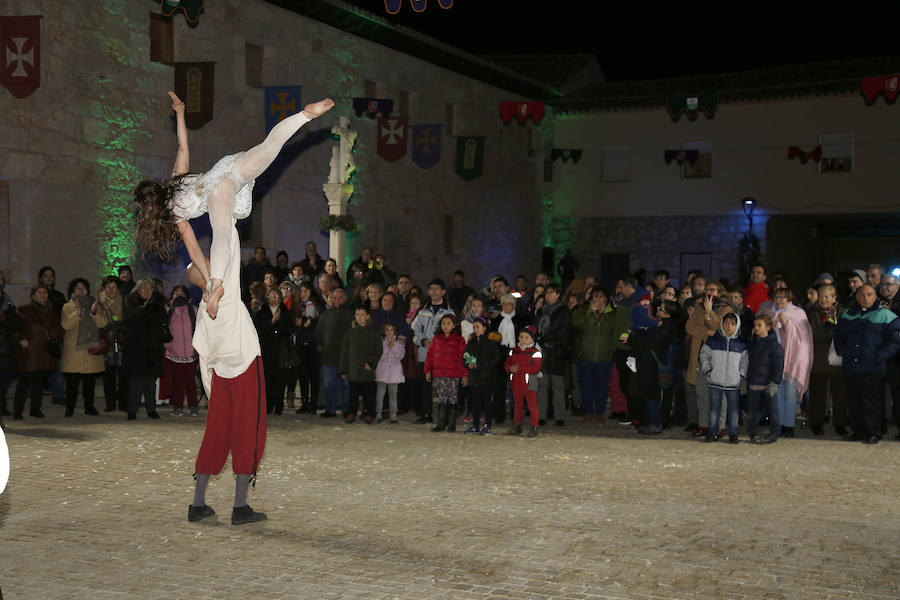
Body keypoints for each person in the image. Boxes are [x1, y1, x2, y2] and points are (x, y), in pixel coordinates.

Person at [134, 91, 334, 321]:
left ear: (152, 207)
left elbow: (195, 251)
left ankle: (219, 284)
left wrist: (211, 281)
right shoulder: (175, 180)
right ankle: (304, 116)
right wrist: (180, 114)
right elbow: (182, 148)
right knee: (269, 147)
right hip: (227, 169)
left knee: (221, 232)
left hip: (217, 190)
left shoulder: (175, 216)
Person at [834, 284, 900, 444]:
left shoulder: (886, 316)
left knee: (872, 401)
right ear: (857, 297)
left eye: (869, 294)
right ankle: (858, 430)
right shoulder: (847, 315)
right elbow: (838, 336)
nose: (866, 298)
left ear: (875, 296)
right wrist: (843, 351)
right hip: (851, 365)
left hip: (873, 366)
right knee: (854, 400)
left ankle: (873, 432)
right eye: (862, 295)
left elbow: (895, 341)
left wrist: (879, 356)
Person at [13, 285, 63, 419]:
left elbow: (58, 328)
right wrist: (21, 339)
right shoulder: (23, 310)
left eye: (45, 292)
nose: (43, 295)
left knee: (39, 382)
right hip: (30, 351)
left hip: (44, 350)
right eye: (39, 293)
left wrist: (55, 334)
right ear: (33, 295)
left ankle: (35, 409)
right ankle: (18, 411)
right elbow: (15, 328)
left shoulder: (51, 312)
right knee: (24, 382)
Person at [60, 278, 108, 417]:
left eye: (84, 288)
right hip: (74, 349)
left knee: (89, 381)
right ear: (72, 291)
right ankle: (70, 408)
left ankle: (89, 407)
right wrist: (78, 313)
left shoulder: (95, 304)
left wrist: (94, 312)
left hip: (91, 348)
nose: (81, 290)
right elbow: (66, 325)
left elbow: (102, 323)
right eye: (77, 288)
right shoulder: (67, 307)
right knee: (72, 383)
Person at [699, 312, 748, 443]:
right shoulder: (713, 340)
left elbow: (745, 362)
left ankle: (733, 434)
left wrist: (741, 375)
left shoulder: (741, 344)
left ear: (737, 326)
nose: (729, 326)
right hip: (715, 381)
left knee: (733, 410)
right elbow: (704, 356)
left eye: (732, 324)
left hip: (733, 383)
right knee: (714, 409)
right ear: (722, 324)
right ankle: (713, 432)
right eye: (726, 323)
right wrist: (708, 371)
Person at [122, 280, 167, 420]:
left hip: (152, 348)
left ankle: (151, 409)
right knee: (135, 381)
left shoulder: (158, 305)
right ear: (138, 290)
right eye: (144, 288)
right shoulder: (131, 304)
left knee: (150, 382)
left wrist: (150, 311)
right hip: (136, 347)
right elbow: (129, 323)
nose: (147, 291)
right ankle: (132, 409)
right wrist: (142, 312)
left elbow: (162, 321)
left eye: (150, 289)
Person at [771, 288, 813, 437]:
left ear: (789, 299)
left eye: (783, 297)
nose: (780, 300)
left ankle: (788, 426)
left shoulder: (798, 313)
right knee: (778, 393)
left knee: (789, 393)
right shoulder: (772, 314)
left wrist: (788, 325)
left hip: (794, 359)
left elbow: (802, 337)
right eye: (777, 298)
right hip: (778, 359)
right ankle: (779, 424)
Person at [411, 279, 455, 424]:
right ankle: (426, 414)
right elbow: (415, 329)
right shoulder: (423, 310)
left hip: (443, 356)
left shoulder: (449, 311)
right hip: (426, 354)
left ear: (443, 292)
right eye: (431, 288)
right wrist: (422, 341)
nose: (434, 291)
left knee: (444, 386)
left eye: (437, 289)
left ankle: (445, 416)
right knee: (425, 386)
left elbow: (454, 332)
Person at [570, 287, 616, 422]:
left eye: (601, 297)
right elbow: (576, 324)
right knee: (586, 385)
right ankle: (588, 411)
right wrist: (590, 312)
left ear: (606, 298)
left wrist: (611, 351)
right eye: (595, 297)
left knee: (602, 385)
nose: (598, 300)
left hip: (604, 356)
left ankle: (600, 412)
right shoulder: (582, 311)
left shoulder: (612, 314)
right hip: (586, 356)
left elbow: (615, 333)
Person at [806, 284, 846, 435]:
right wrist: (829, 328)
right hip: (819, 359)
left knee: (840, 395)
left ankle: (840, 424)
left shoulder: (842, 313)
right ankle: (817, 423)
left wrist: (835, 328)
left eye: (826, 297)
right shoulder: (812, 313)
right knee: (818, 394)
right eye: (821, 296)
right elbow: (813, 334)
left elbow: (845, 333)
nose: (823, 300)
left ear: (834, 298)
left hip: (838, 360)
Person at [339, 305, 383, 424]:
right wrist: (343, 369)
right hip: (353, 370)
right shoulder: (350, 332)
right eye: (357, 315)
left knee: (369, 394)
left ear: (367, 316)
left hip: (367, 369)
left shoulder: (374, 333)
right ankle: (351, 412)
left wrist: (371, 362)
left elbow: (378, 350)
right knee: (352, 394)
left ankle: (369, 413)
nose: (359, 317)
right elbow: (344, 352)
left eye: (362, 315)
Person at [424, 314, 467, 432]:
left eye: (448, 323)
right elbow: (430, 356)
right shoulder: (436, 339)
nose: (445, 326)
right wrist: (428, 370)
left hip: (454, 375)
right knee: (442, 398)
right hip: (439, 375)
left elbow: (464, 357)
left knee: (452, 398)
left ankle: (451, 424)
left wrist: (465, 374)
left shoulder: (460, 340)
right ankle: (441, 423)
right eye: (443, 323)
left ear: (454, 325)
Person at [535, 284, 571, 427]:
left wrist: (547, 338)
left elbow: (564, 330)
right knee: (542, 385)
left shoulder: (563, 310)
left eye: (551, 292)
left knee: (557, 385)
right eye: (547, 292)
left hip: (556, 350)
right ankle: (541, 415)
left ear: (558, 294)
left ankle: (559, 416)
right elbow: (536, 328)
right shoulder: (541, 311)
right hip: (543, 351)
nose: (548, 295)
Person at [316, 288, 354, 418]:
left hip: (346, 357)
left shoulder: (351, 315)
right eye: (334, 297)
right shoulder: (325, 315)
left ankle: (347, 410)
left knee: (346, 386)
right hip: (328, 357)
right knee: (328, 385)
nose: (337, 300)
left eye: (340, 297)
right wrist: (321, 349)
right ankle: (330, 409)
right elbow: (319, 335)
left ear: (345, 299)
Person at [746, 315, 784, 443]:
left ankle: (774, 433)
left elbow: (778, 365)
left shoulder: (774, 345)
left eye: (759, 325)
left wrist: (774, 382)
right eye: (755, 325)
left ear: (768, 327)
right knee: (752, 411)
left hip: (768, 384)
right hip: (753, 382)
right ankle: (752, 433)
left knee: (773, 411)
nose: (756, 328)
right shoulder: (752, 343)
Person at [462, 316, 503, 435]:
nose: (475, 329)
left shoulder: (491, 343)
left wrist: (479, 365)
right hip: (474, 378)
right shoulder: (471, 342)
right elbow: (465, 356)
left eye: (478, 327)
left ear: (484, 328)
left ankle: (487, 425)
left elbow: (496, 359)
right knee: (475, 403)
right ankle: (475, 425)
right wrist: (468, 363)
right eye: (474, 327)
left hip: (487, 378)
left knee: (486, 402)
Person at [164, 285, 199, 416]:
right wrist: (169, 346)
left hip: (191, 353)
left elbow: (201, 330)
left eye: (182, 294)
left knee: (191, 383)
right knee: (177, 383)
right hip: (174, 354)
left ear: (187, 296)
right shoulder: (168, 312)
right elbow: (164, 332)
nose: (179, 296)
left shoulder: (195, 311)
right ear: (171, 296)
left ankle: (193, 407)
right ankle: (178, 407)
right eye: (176, 293)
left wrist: (197, 348)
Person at [293, 282, 325, 414]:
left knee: (314, 377)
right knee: (303, 376)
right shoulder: (296, 307)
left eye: (306, 290)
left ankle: (313, 404)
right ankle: (304, 403)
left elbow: (322, 324)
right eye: (301, 291)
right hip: (301, 345)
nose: (304, 293)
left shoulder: (317, 306)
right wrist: (298, 324)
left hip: (313, 345)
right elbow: (292, 325)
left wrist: (311, 323)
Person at [505, 325, 543, 437]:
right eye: (521, 337)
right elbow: (508, 362)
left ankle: (534, 426)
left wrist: (519, 369)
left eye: (526, 337)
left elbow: (535, 369)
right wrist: (509, 368)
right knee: (517, 405)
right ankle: (517, 425)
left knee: (532, 405)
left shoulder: (535, 352)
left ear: (532, 339)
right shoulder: (514, 351)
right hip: (516, 382)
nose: (523, 340)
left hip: (529, 383)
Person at [0, 271, 22, 417]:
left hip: (5, 345)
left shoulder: (6, 299)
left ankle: (1, 405)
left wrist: (5, 318)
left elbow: (16, 322)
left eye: (0, 278)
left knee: (4, 378)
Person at [374, 322, 405, 423]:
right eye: (387, 330)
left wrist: (394, 347)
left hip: (394, 373)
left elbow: (400, 356)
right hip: (382, 371)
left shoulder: (399, 343)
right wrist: (387, 347)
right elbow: (379, 355)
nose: (389, 332)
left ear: (395, 332)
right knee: (380, 394)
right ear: (384, 331)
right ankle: (378, 413)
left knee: (393, 395)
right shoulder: (380, 342)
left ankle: (393, 414)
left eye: (391, 330)